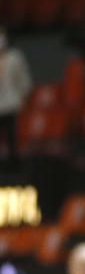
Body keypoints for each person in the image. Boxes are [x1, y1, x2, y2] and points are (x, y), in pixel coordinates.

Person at [0, 27, 32, 172]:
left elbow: (23, 79)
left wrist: (23, 95)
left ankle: (15, 166)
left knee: (12, 135)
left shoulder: (14, 57)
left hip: (12, 103)